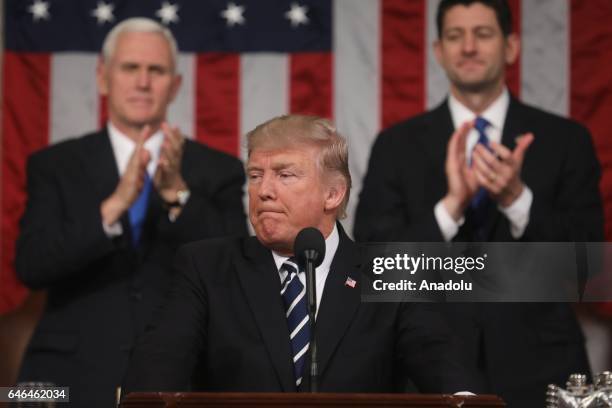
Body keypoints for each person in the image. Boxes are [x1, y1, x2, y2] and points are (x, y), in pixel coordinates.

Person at [354, 0, 603, 406]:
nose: (468, 47)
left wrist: (517, 200)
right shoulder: (396, 145)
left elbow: (587, 273)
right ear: (438, 51)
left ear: (511, 47)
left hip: (543, 371)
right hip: (428, 372)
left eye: (483, 34)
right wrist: (449, 208)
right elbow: (376, 271)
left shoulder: (565, 140)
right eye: (455, 36)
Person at [122, 114, 482, 396]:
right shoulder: (207, 268)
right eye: (255, 175)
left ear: (333, 195)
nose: (263, 191)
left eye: (285, 175)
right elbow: (157, 365)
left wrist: (465, 397)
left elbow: (440, 361)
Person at [15, 18, 247, 407]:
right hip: (59, 382)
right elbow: (30, 267)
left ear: (175, 85)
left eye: (155, 70)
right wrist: (112, 208)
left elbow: (234, 271)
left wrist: (177, 194)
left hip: (182, 379)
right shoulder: (53, 165)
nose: (143, 82)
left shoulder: (218, 169)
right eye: (130, 68)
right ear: (103, 78)